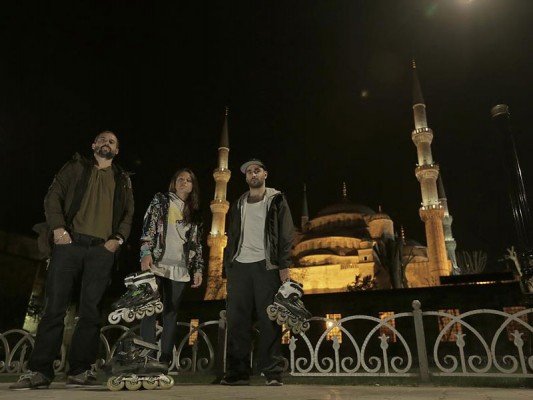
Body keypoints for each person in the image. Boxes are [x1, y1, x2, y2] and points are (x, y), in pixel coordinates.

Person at [10, 131, 134, 390]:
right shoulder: (75, 167)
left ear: (117, 150)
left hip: (101, 250)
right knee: (54, 307)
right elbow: (53, 196)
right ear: (93, 145)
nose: (107, 143)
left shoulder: (122, 179)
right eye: (102, 139)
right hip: (69, 244)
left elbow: (128, 213)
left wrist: (117, 239)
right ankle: (40, 371)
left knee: (90, 311)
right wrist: (58, 228)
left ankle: (80, 370)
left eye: (112, 141)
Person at [221, 158, 294, 386]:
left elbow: (286, 233)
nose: (253, 174)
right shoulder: (239, 203)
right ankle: (238, 372)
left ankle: (272, 372)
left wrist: (284, 264)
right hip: (240, 266)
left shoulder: (276, 199)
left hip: (266, 265)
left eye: (257, 170)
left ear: (265, 174)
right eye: (249, 172)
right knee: (237, 320)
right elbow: (232, 235)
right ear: (245, 177)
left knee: (268, 318)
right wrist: (228, 266)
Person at [138, 168, 204, 367]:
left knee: (171, 313)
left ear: (193, 186)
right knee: (150, 309)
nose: (184, 182)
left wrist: (198, 268)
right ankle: (147, 356)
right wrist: (145, 252)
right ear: (174, 183)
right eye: (180, 179)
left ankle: (165, 359)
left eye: (188, 180)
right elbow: (149, 226)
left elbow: (196, 244)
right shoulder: (161, 201)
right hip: (157, 262)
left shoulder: (194, 212)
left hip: (180, 267)